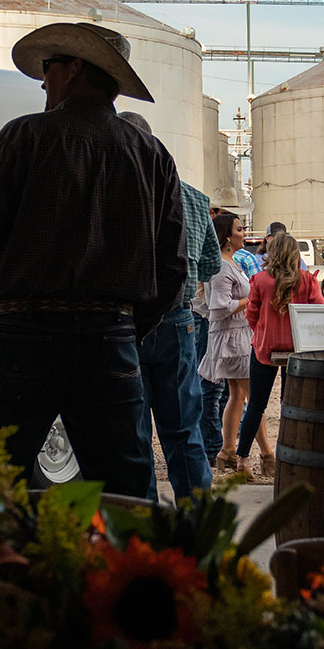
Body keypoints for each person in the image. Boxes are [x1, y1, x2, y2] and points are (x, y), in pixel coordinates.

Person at [0, 23, 186, 498]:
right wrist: (122, 324)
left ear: (76, 68)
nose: (42, 81)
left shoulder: (22, 137)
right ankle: (130, 571)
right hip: (111, 339)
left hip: (24, 334)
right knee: (126, 492)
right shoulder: (152, 154)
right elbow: (174, 269)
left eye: (48, 68)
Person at [119, 111, 219, 499]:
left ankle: (142, 523)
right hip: (178, 321)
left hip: (124, 323)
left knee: (133, 430)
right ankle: (198, 523)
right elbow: (210, 264)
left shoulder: (116, 191)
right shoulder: (193, 197)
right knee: (183, 429)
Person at [239, 231, 324, 476]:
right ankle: (291, 456)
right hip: (297, 350)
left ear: (272, 254)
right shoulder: (307, 280)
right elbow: (317, 313)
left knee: (256, 405)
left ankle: (242, 460)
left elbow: (251, 315)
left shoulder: (260, 279)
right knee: (292, 406)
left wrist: (264, 332)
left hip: (264, 348)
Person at [200, 212, 255, 477]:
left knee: (237, 396)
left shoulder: (231, 263)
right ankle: (260, 454)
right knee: (254, 399)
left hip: (238, 335)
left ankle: (227, 451)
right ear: (227, 237)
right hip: (233, 339)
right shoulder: (222, 267)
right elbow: (219, 308)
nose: (244, 233)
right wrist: (250, 300)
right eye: (240, 229)